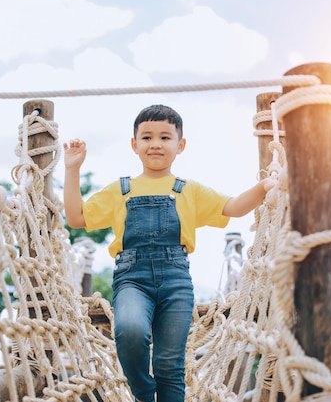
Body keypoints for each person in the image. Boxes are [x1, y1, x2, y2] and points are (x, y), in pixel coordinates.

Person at [63, 104, 272, 402]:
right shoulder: (120, 189)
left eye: (165, 137)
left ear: (180, 145)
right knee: (130, 332)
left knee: (168, 365)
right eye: (147, 137)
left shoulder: (189, 190)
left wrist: (265, 186)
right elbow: (76, 218)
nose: (156, 144)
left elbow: (233, 207)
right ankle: (145, 396)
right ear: (134, 145)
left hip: (176, 279)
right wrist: (73, 169)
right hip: (131, 277)